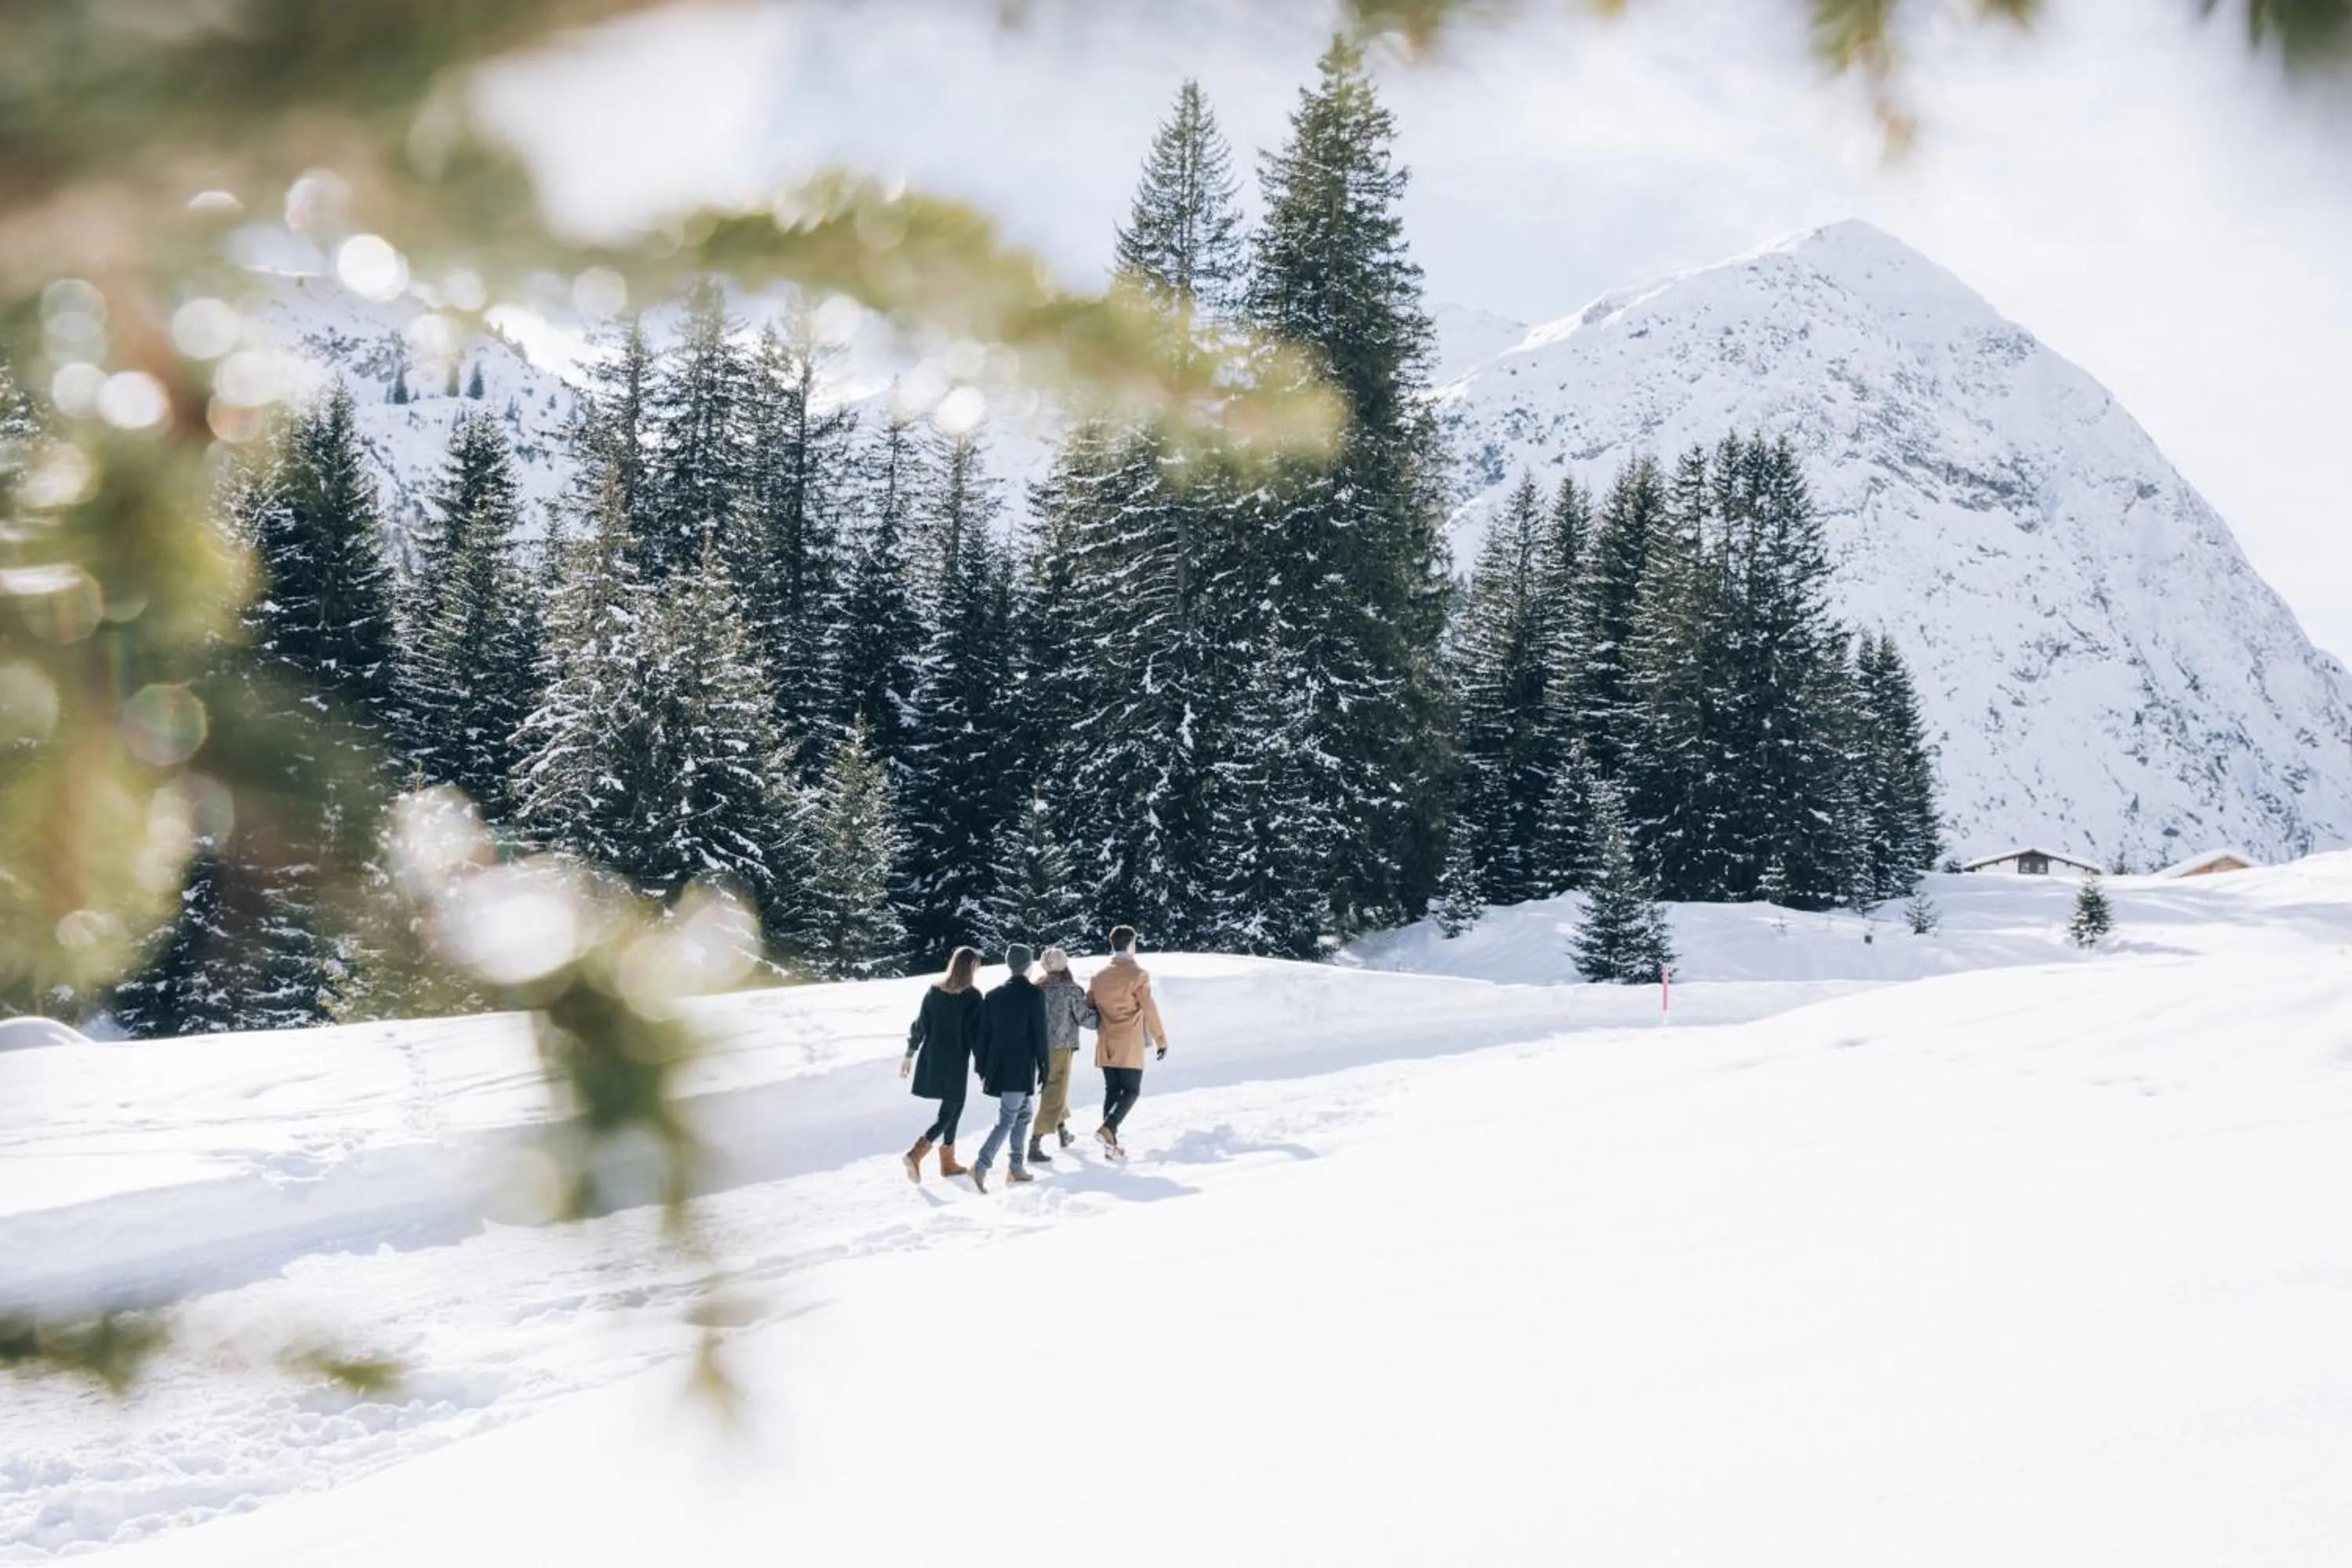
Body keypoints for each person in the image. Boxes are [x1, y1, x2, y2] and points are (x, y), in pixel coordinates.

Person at [900, 946, 985, 1184]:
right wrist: (984, 1066)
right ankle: (915, 1154)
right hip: (955, 1061)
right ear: (970, 969)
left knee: (954, 1107)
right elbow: (976, 1036)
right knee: (951, 1111)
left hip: (933, 1058)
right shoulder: (972, 997)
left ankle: (948, 1162)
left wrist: (910, 1052)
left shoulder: (934, 991)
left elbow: (920, 1024)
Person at [970, 943, 1051, 1192]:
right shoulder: (1034, 995)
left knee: (1024, 1115)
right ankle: (980, 1165)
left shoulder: (993, 995)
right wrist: (1045, 1068)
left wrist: (982, 1066)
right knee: (1008, 1118)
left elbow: (981, 1035)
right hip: (1020, 1068)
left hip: (1000, 1066)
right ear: (1029, 965)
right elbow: (1040, 1035)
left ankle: (1016, 1167)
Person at [1085, 924, 1167, 1160]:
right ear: (1131, 944)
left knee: (1112, 1091)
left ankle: (1110, 1146)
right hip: (1129, 1043)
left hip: (1106, 1042)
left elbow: (1089, 1004)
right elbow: (1149, 1009)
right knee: (1131, 1090)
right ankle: (1108, 1128)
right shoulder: (1138, 975)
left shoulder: (1098, 976)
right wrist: (1161, 1039)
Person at [1029, 946, 1092, 1165]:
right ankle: (1035, 1141)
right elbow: (1085, 1018)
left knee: (1053, 1085)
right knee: (1055, 1088)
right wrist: (1107, 1019)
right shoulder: (1070, 990)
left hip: (1037, 1047)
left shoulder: (1037, 988)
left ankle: (1063, 1132)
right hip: (1061, 1045)